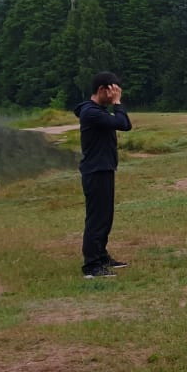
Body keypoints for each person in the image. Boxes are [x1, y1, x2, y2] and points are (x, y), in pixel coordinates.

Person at [73, 72, 133, 280]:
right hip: (95, 170)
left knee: (105, 217)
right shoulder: (91, 112)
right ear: (102, 90)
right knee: (97, 219)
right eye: (113, 91)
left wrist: (114, 104)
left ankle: (101, 256)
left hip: (104, 168)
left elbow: (121, 123)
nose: (116, 95)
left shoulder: (97, 111)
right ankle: (91, 265)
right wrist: (117, 103)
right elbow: (124, 124)